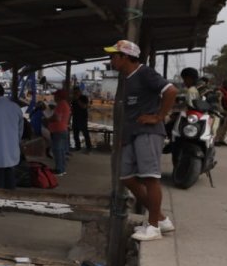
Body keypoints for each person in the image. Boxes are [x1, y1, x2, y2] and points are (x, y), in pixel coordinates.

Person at [105, 39, 177, 241]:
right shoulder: (127, 78)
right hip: (132, 134)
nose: (111, 60)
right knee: (126, 176)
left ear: (125, 57)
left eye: (113, 56)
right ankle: (161, 218)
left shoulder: (145, 72)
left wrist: (158, 116)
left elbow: (171, 91)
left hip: (148, 132)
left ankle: (153, 227)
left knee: (150, 177)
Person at [47, 89, 71, 176]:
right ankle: (62, 169)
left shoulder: (61, 104)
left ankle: (59, 170)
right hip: (62, 129)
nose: (54, 97)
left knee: (57, 151)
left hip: (58, 130)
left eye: (55, 95)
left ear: (59, 96)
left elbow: (57, 118)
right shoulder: (65, 104)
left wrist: (47, 119)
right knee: (61, 151)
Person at [71, 87, 93, 153]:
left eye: (77, 92)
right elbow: (72, 108)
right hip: (75, 118)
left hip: (82, 119)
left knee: (85, 133)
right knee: (75, 134)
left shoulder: (84, 98)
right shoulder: (73, 99)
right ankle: (77, 147)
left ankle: (88, 147)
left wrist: (78, 99)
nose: (75, 93)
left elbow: (84, 106)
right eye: (74, 92)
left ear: (79, 91)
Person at [214, 79, 227, 146]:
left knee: (224, 126)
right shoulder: (220, 92)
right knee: (220, 126)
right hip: (222, 111)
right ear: (225, 84)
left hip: (226, 110)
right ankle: (216, 140)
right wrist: (221, 111)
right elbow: (218, 102)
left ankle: (221, 139)